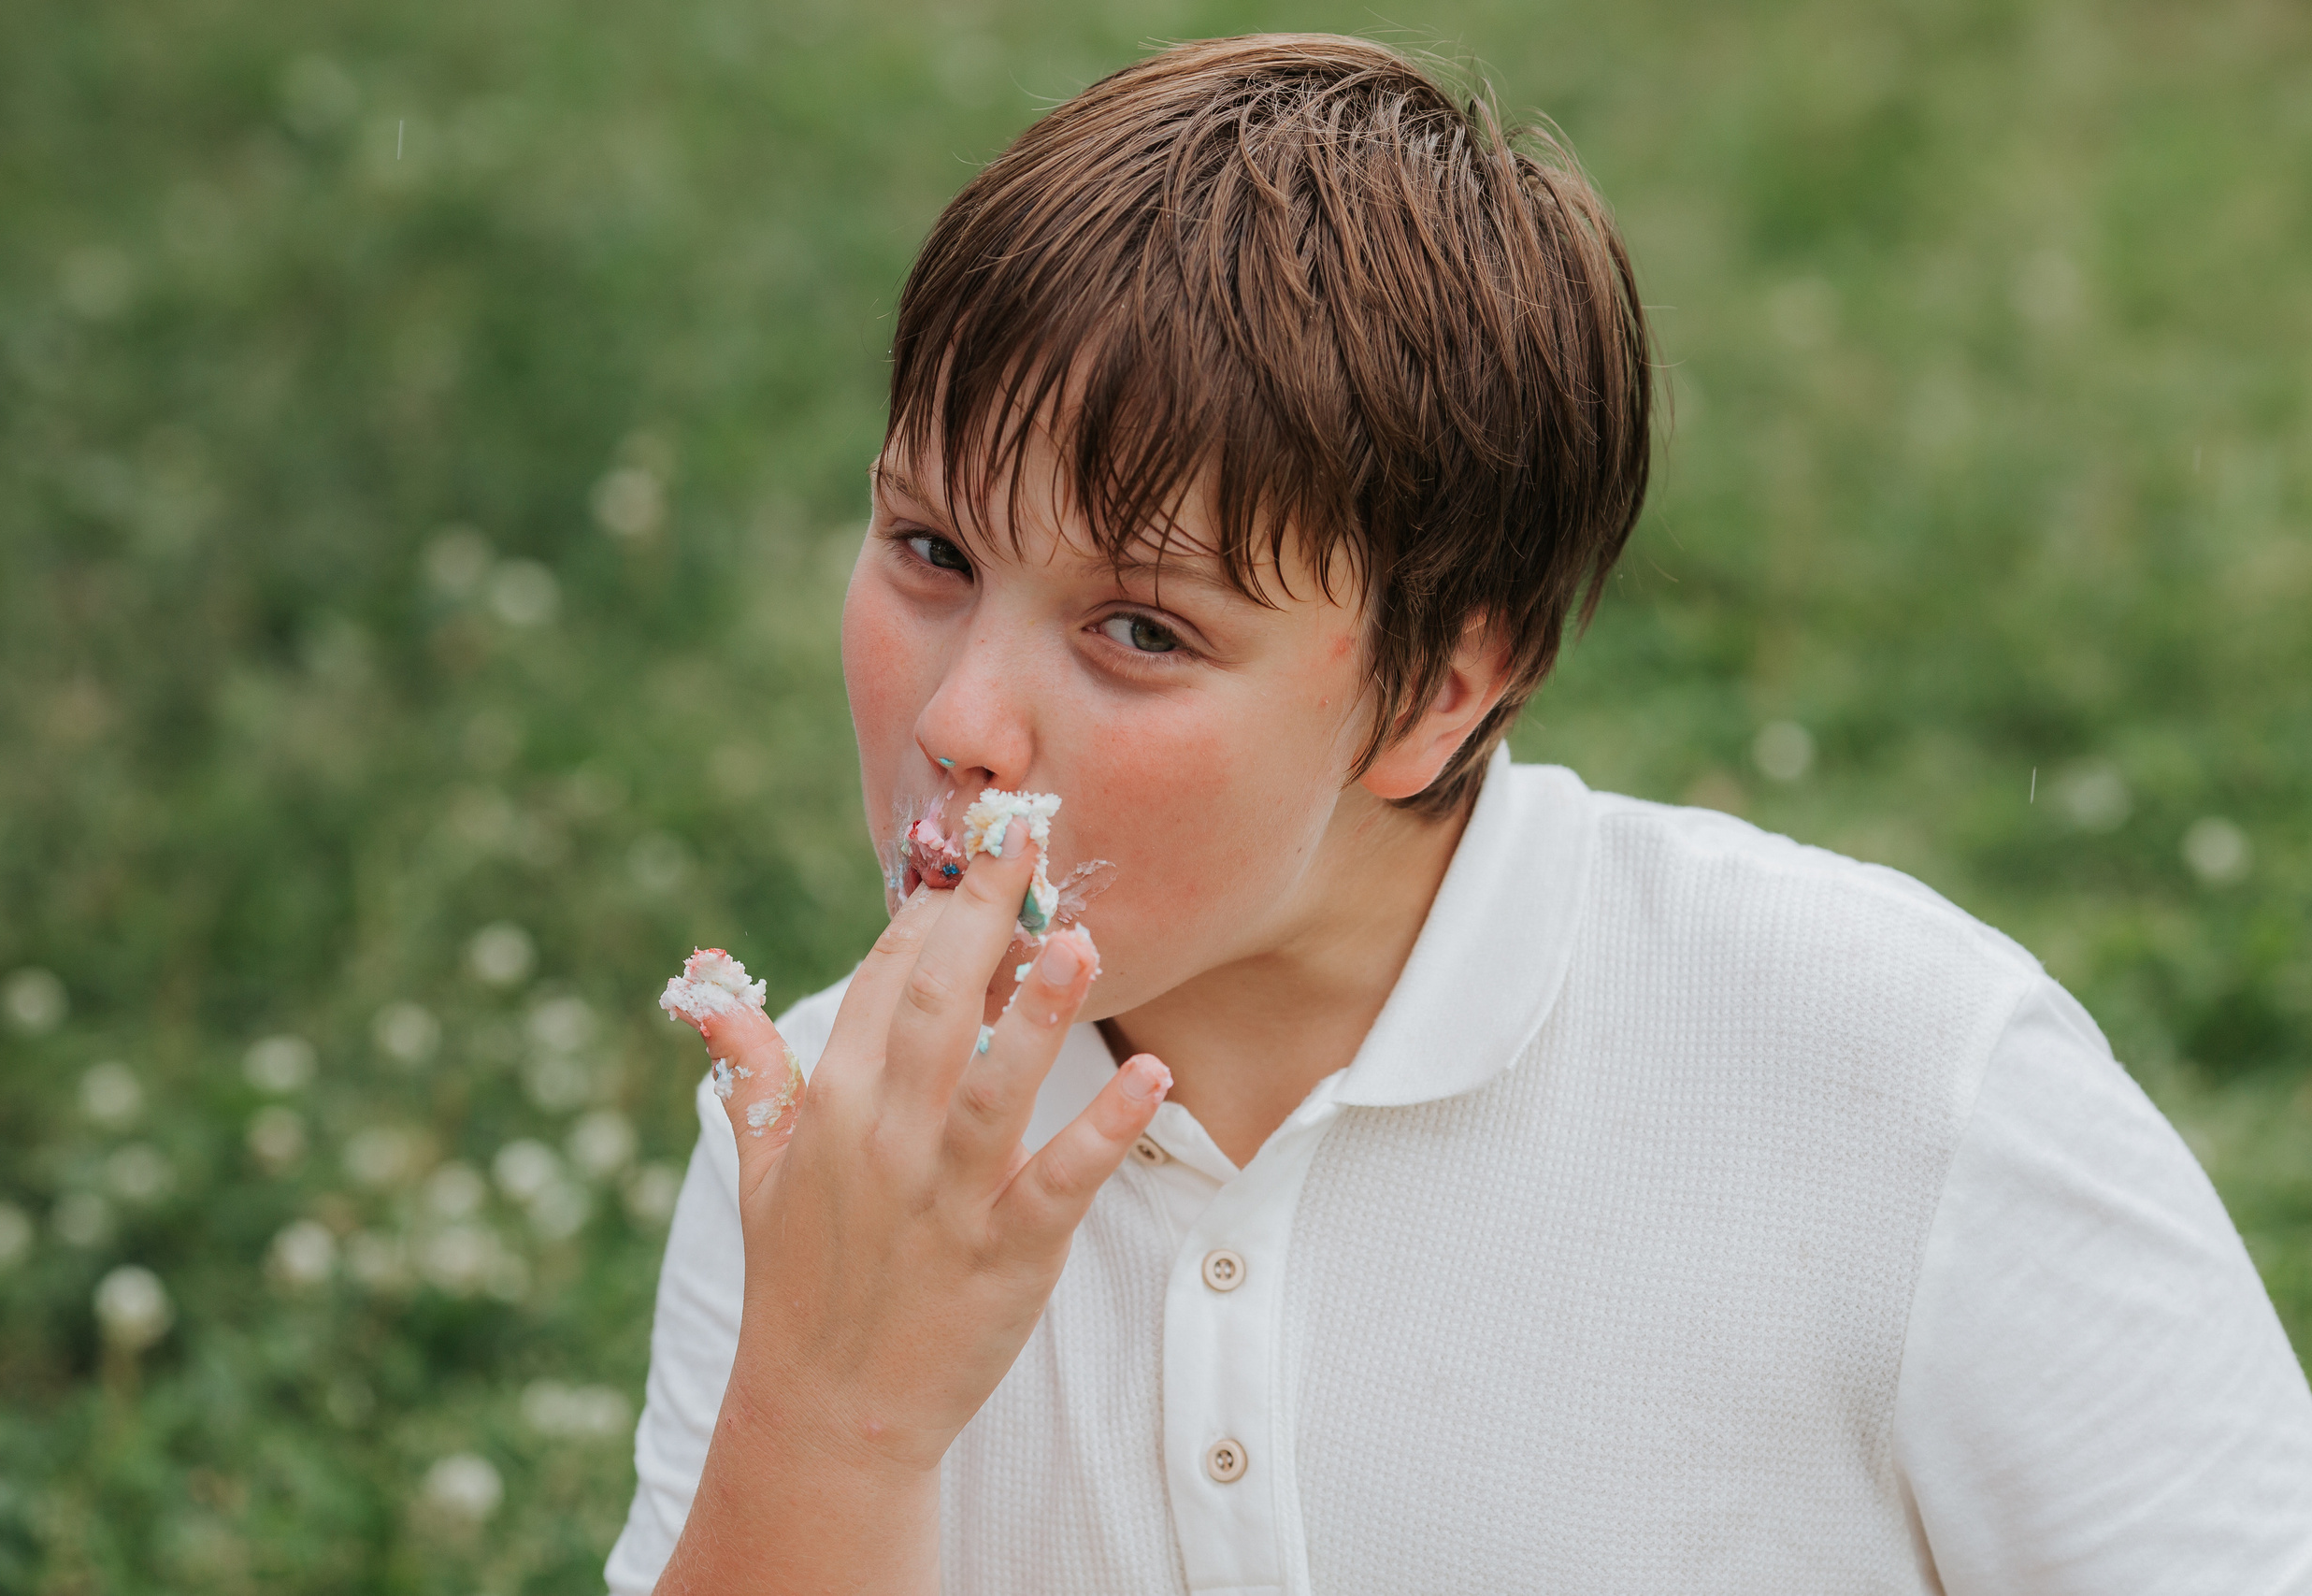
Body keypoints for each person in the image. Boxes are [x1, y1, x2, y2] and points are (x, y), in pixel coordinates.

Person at [605, 33, 2312, 1595]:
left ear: (1441, 695)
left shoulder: (1903, 1084)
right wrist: (832, 1415)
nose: (962, 721)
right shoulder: (819, 1150)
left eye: (1143, 632)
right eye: (931, 551)